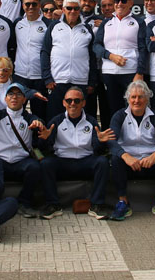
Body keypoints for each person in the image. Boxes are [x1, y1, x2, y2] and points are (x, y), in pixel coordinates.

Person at [37, 86, 114, 220]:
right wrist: (44, 139)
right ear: (64, 103)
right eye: (69, 100)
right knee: (46, 163)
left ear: (83, 103)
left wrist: (101, 142)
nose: (73, 104)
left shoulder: (91, 121)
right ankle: (53, 205)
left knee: (102, 162)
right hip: (63, 161)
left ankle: (97, 205)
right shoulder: (56, 121)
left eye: (77, 101)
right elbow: (45, 147)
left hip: (85, 161)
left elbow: (98, 150)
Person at [0, 83, 45, 217]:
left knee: (34, 167)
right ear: (5, 99)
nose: (14, 97)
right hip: (1, 161)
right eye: (10, 94)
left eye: (18, 94)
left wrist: (39, 123)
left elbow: (38, 121)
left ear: (24, 99)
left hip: (21, 161)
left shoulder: (29, 117)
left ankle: (24, 203)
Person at [107, 81, 155, 221]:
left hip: (150, 162)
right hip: (128, 164)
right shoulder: (119, 116)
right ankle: (123, 202)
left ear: (147, 99)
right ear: (128, 99)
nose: (136, 100)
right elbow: (111, 140)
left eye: (140, 97)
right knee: (115, 158)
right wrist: (125, 156)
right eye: (133, 97)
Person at [95, 0, 148, 124]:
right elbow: (96, 46)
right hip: (109, 74)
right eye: (117, 1)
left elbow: (143, 49)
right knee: (112, 111)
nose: (119, 4)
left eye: (123, 1)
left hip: (130, 73)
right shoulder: (106, 23)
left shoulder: (139, 22)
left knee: (132, 109)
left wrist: (140, 72)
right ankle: (114, 135)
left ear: (130, 3)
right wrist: (111, 56)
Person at [42, 0, 98, 121]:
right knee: (54, 119)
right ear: (63, 9)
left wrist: (92, 81)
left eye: (76, 8)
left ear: (79, 10)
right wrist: (47, 78)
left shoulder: (86, 29)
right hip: (57, 82)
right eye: (69, 8)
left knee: (81, 119)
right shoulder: (54, 27)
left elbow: (92, 57)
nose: (72, 11)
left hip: (81, 81)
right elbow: (45, 52)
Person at [13, 0, 51, 119]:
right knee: (17, 113)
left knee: (39, 115)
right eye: (27, 4)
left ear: (39, 5)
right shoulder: (17, 23)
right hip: (20, 76)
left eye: (34, 4)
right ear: (22, 5)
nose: (30, 7)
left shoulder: (48, 24)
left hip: (40, 78)